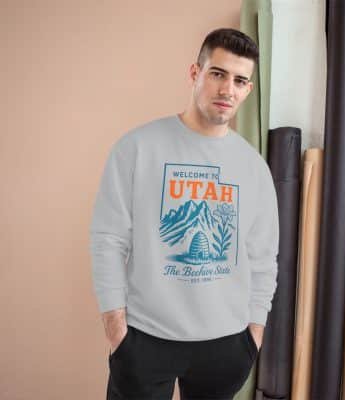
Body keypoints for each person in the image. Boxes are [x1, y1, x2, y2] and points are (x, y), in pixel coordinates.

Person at [89, 27, 280, 400]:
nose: (228, 89)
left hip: (227, 344)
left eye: (239, 80)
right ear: (195, 73)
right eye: (218, 73)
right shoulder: (137, 147)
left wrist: (253, 335)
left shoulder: (253, 166)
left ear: (248, 90)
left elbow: (263, 258)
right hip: (144, 339)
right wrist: (116, 329)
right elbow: (108, 239)